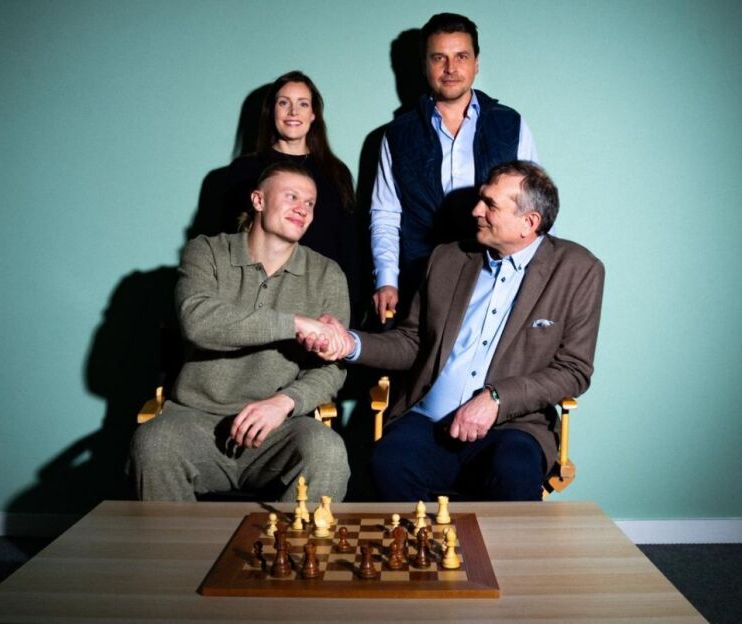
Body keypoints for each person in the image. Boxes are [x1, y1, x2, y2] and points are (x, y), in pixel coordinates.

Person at [300, 161, 604, 501]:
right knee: (387, 461)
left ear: (528, 222)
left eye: (490, 205)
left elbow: (573, 369)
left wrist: (497, 398)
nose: (476, 211)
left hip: (514, 428)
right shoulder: (448, 258)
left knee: (514, 470)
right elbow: (412, 342)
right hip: (428, 422)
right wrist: (350, 343)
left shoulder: (578, 270)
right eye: (480, 199)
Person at [130, 162, 350, 502]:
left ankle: (290, 541)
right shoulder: (206, 252)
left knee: (328, 450)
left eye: (310, 203)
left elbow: (332, 368)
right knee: (153, 443)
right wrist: (294, 323)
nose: (303, 209)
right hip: (196, 422)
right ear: (258, 200)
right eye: (291, 197)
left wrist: (285, 402)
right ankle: (176, 540)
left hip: (279, 428)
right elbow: (199, 322)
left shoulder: (327, 274)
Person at [370, 13, 539, 323]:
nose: (450, 68)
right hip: (421, 280)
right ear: (425, 65)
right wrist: (387, 280)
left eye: (461, 56)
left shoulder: (510, 125)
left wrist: (536, 277)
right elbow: (386, 214)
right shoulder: (397, 135)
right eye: (439, 58)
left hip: (496, 279)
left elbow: (533, 207)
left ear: (476, 63)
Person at [224, 71, 361, 320]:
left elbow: (349, 244)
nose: (293, 112)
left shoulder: (335, 172)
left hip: (319, 298)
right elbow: (227, 241)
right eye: (284, 103)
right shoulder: (244, 171)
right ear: (271, 111)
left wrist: (351, 304)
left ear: (313, 114)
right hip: (257, 300)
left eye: (303, 104)